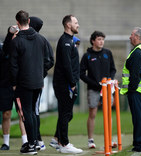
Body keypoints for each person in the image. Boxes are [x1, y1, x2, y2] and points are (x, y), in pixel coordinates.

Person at [10, 10, 52, 155]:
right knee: (33, 112)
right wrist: (41, 73)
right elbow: (48, 60)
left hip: (24, 82)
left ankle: (32, 145)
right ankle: (34, 143)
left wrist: (14, 83)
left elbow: (13, 65)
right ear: (28, 21)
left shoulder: (16, 41)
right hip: (38, 81)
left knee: (27, 112)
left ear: (17, 23)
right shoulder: (41, 39)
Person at [0, 25, 28, 151]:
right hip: (5, 85)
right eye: (12, 33)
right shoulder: (1, 46)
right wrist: (5, 51)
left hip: (19, 85)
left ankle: (25, 141)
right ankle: (6, 142)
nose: (14, 35)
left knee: (21, 113)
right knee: (6, 114)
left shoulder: (21, 46)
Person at [50, 14, 82, 154]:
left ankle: (57, 139)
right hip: (65, 84)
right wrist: (72, 82)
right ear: (68, 25)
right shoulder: (65, 42)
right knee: (65, 113)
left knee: (67, 114)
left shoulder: (70, 40)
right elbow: (66, 65)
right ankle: (64, 144)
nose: (78, 25)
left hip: (68, 83)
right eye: (75, 22)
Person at [80, 31, 116, 148]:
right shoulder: (87, 56)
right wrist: (95, 84)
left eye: (103, 39)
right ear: (93, 41)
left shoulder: (108, 53)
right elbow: (81, 74)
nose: (101, 41)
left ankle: (109, 139)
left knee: (108, 114)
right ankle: (90, 140)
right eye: (99, 39)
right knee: (93, 114)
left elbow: (113, 69)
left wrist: (109, 81)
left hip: (107, 89)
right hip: (93, 89)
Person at [120, 27, 141, 152]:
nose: (130, 37)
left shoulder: (138, 52)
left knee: (139, 119)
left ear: (137, 37)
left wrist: (131, 90)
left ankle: (139, 145)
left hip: (138, 91)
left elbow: (135, 75)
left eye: (131, 34)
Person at [29, 16, 54, 151]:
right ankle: (33, 139)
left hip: (34, 81)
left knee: (33, 111)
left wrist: (40, 73)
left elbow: (50, 60)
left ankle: (37, 139)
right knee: (31, 111)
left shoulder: (41, 40)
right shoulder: (35, 39)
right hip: (33, 80)